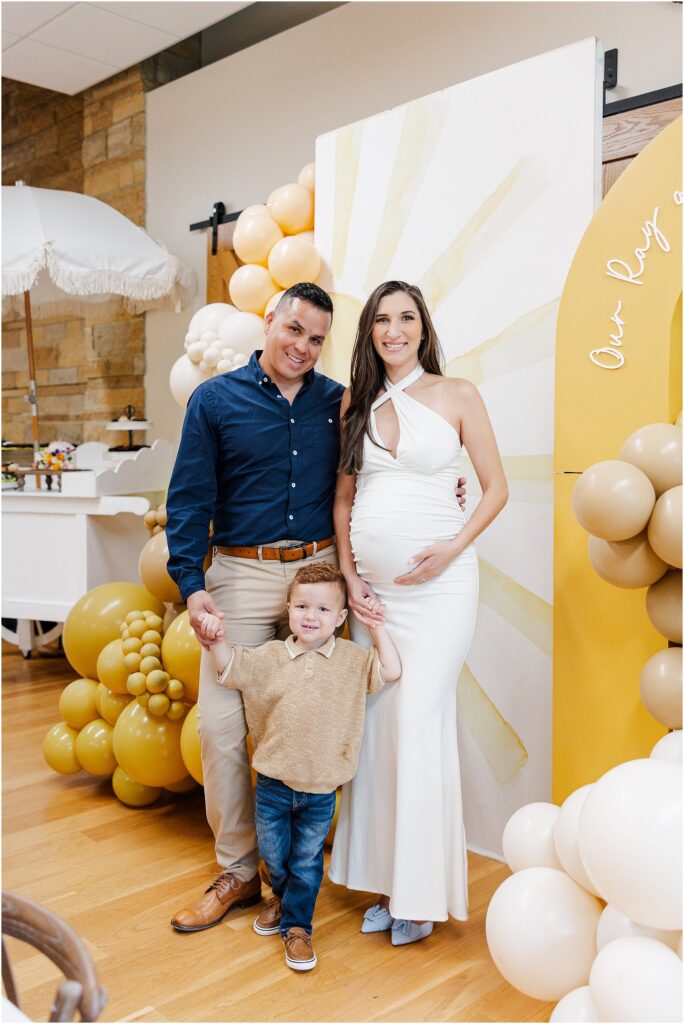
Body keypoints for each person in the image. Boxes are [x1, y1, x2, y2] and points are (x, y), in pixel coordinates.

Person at [166, 281, 465, 933]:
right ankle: (239, 871)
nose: (302, 345)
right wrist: (193, 587)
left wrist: (453, 487)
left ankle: (301, 866)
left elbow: (380, 472)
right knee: (221, 729)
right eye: (293, 329)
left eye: (316, 338)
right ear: (267, 322)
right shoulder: (214, 402)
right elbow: (187, 502)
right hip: (240, 573)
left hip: (321, 576)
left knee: (321, 720)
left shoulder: (341, 402)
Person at [329, 280, 508, 946]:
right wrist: (352, 583)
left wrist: (452, 546)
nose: (394, 329)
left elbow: (496, 488)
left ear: (423, 328)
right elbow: (344, 504)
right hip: (376, 601)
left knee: (419, 722)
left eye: (406, 317)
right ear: (370, 332)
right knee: (379, 733)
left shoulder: (458, 394)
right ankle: (386, 883)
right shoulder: (355, 401)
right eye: (382, 319)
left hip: (442, 591)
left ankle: (422, 897)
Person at [198, 562, 401, 971]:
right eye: (303, 606)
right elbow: (229, 668)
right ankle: (280, 898)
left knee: (307, 861)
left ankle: (297, 928)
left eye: (324, 610)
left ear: (341, 618)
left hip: (322, 788)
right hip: (273, 784)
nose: (312, 616)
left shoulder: (352, 659)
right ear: (288, 609)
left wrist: (377, 626)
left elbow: (391, 670)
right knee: (275, 858)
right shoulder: (269, 655)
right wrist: (215, 640)